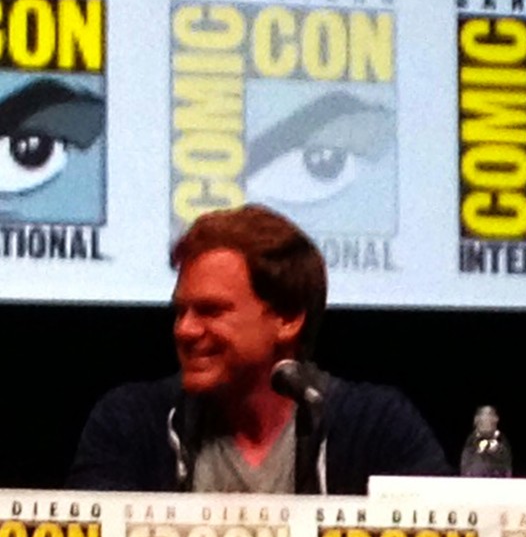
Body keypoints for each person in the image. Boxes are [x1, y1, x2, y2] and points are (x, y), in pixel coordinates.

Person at [68, 204, 451, 494]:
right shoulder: (132, 423)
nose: (184, 329)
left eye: (210, 311)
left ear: (288, 318)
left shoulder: (375, 426)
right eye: (180, 311)